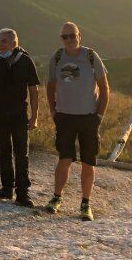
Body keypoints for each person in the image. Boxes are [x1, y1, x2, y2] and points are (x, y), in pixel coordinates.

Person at [44, 21, 110, 221]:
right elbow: (50, 87)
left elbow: (105, 88)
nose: (70, 40)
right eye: (65, 37)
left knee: (88, 162)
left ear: (79, 35)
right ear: (61, 39)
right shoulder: (57, 58)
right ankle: (56, 198)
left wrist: (99, 116)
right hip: (65, 117)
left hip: (88, 117)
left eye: (72, 35)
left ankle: (85, 203)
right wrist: (54, 111)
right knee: (64, 159)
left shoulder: (91, 56)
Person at [0, 27, 41, 207]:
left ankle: (23, 193)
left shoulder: (26, 60)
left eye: (3, 41)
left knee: (22, 153)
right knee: (4, 151)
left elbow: (33, 90)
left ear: (14, 43)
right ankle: (7, 188)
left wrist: (34, 116)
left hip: (19, 114)